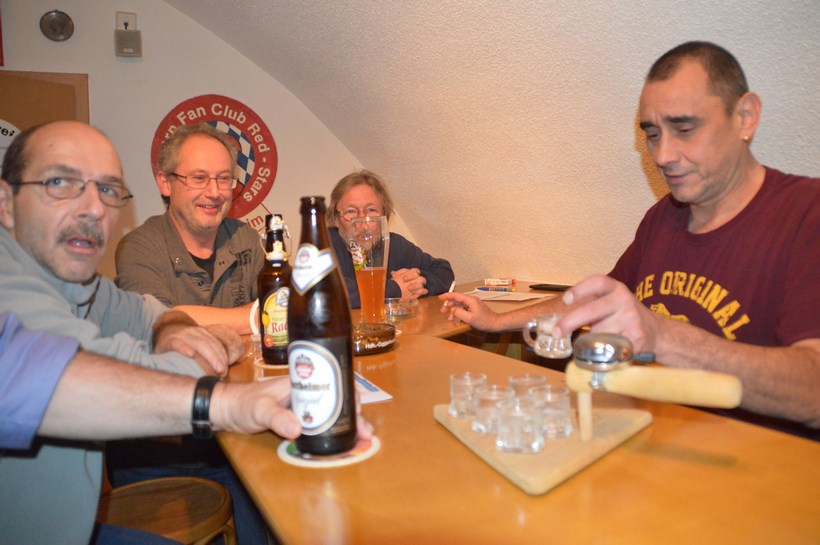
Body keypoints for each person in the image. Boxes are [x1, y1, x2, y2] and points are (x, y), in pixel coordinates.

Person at [441, 41, 819, 438]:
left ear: (745, 117)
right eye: (653, 134)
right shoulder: (663, 217)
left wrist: (661, 335)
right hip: (650, 446)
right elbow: (595, 300)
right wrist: (496, 321)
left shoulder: (807, 213)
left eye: (684, 129)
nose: (663, 155)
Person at [0, 311, 374, 545]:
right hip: (143, 471)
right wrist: (224, 400)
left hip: (218, 450)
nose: (96, 211)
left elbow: (162, 315)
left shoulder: (86, 284)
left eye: (111, 203)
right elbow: (27, 377)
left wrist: (173, 327)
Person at [115, 122, 264, 334]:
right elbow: (159, 321)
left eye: (223, 179)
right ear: (165, 183)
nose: (214, 192)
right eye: (199, 178)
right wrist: (255, 317)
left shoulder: (246, 239)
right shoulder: (139, 248)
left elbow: (289, 305)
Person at [327, 170, 455, 308]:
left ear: (384, 215)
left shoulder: (395, 245)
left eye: (371, 210)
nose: (362, 222)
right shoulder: (322, 246)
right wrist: (395, 289)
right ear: (336, 219)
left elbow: (444, 271)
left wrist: (418, 282)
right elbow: (327, 293)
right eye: (351, 211)